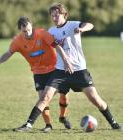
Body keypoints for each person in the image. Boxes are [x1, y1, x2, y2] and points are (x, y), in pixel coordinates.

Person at [13, 3, 122, 132]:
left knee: (95, 99)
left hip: (79, 70)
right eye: (52, 15)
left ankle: (114, 123)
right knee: (45, 97)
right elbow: (42, 42)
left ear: (64, 14)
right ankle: (28, 125)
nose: (54, 18)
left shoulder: (73, 25)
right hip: (60, 71)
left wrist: (82, 29)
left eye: (57, 15)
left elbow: (90, 25)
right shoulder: (51, 31)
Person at [0, 16, 72, 132]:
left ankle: (63, 117)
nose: (28, 33)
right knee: (43, 98)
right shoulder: (18, 41)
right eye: (24, 31)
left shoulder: (42, 34)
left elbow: (57, 46)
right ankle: (48, 125)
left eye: (29, 29)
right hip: (38, 72)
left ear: (31, 25)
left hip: (54, 69)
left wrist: (65, 61)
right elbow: (8, 53)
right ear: (20, 30)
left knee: (64, 93)